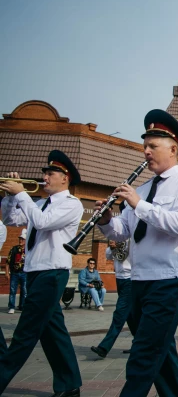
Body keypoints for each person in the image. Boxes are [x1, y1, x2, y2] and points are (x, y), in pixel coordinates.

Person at [96, 109, 178, 396]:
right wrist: (107, 221)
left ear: (173, 148)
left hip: (168, 279)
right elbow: (123, 232)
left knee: (143, 355)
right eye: (145, 146)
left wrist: (137, 203)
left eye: (152, 146)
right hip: (139, 279)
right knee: (162, 353)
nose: (145, 152)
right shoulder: (141, 188)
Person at [0, 150, 83, 396]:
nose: (45, 177)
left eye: (50, 173)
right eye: (44, 173)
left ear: (65, 178)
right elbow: (11, 219)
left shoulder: (71, 204)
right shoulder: (38, 203)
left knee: (25, 333)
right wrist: (9, 197)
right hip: (35, 272)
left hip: (52, 273)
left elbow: (44, 222)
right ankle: (69, 385)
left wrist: (21, 194)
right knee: (52, 333)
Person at [90, 202, 138, 358]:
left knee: (120, 313)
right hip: (120, 277)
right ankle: (139, 343)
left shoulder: (132, 232)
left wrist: (122, 244)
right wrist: (112, 247)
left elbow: (133, 254)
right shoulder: (118, 232)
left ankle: (105, 346)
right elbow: (108, 256)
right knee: (130, 316)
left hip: (130, 277)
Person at [6, 229, 28, 313]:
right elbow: (8, 261)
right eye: (20, 239)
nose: (20, 240)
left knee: (24, 290)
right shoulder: (14, 249)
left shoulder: (27, 250)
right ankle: (11, 306)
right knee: (12, 290)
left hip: (24, 273)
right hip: (15, 272)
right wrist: (7, 272)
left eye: (22, 239)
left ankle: (22, 306)